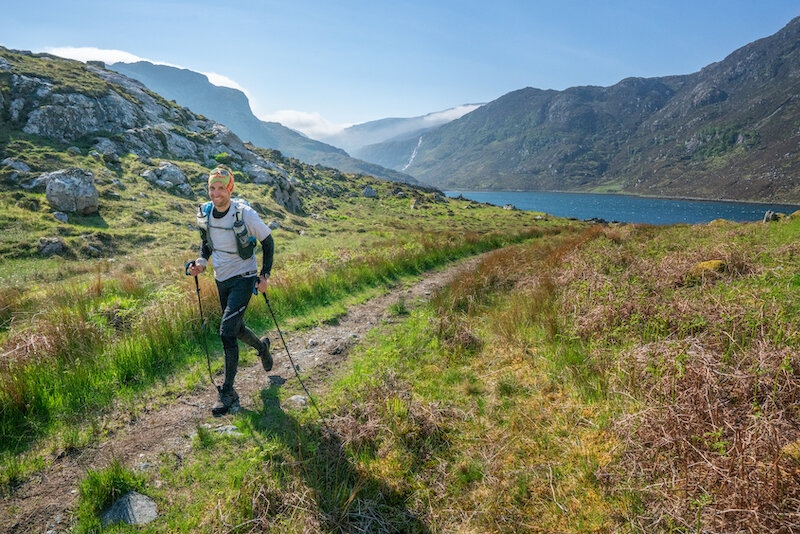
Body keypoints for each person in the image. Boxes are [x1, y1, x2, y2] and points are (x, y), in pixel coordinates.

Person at [188, 164, 275, 416]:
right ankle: (262, 348)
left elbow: (268, 242)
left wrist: (264, 275)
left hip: (244, 277)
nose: (216, 193)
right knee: (235, 328)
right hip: (221, 277)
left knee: (226, 330)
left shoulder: (244, 213)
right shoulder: (205, 213)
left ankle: (228, 392)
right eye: (211, 188)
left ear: (230, 188)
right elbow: (206, 246)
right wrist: (200, 264)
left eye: (220, 188)